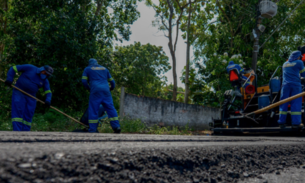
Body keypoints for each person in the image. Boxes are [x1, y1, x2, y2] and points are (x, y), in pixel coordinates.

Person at [5, 65, 54, 131]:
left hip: (31, 97)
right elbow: (13, 68)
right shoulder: (30, 68)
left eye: (47, 74)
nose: (45, 75)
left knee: (28, 114)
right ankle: (17, 133)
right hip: (19, 92)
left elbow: (48, 91)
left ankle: (25, 134)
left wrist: (48, 100)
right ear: (41, 69)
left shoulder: (45, 80)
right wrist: (9, 79)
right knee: (18, 112)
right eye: (45, 73)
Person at [82, 58, 121, 133]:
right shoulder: (104, 69)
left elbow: (84, 81)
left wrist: (89, 89)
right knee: (110, 109)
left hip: (95, 91)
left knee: (93, 110)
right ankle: (116, 127)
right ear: (97, 63)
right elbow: (112, 82)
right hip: (106, 91)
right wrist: (111, 89)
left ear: (89, 63)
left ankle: (92, 129)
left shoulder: (87, 69)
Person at [278, 51, 305, 129]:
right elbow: (303, 74)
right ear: (298, 56)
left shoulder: (285, 64)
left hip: (285, 86)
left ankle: (281, 122)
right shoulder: (299, 62)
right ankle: (296, 123)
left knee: (283, 103)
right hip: (295, 86)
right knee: (295, 103)